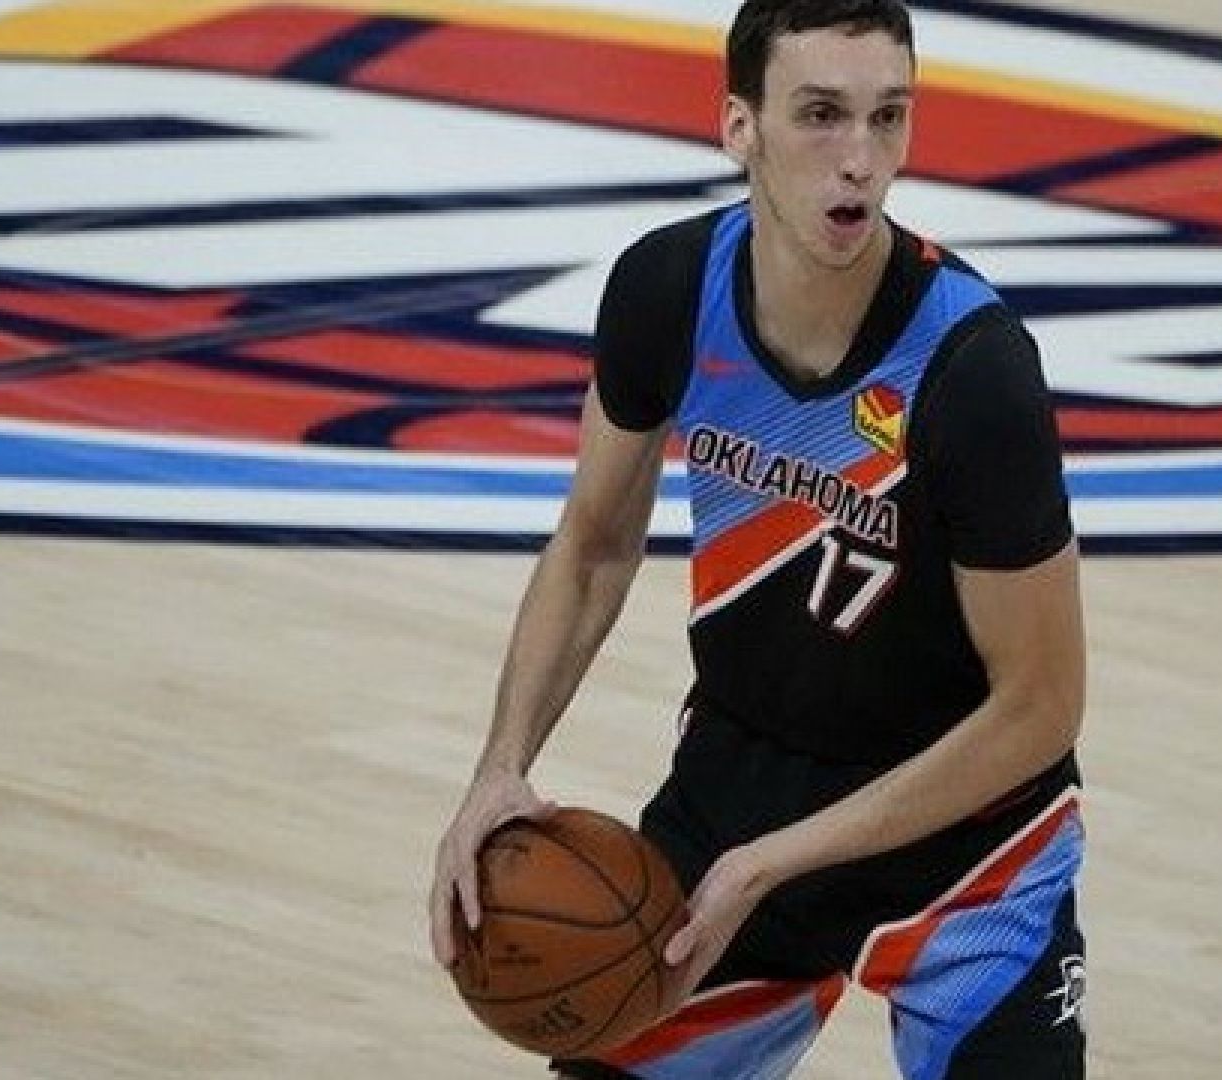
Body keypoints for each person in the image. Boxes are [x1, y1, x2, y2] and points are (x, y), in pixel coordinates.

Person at [428, 1, 1088, 1075]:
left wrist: (771, 864)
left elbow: (1041, 707)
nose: (859, 159)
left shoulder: (976, 373)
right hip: (738, 787)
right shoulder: (669, 289)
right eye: (821, 115)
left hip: (969, 840)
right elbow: (593, 549)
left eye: (888, 117)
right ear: (740, 127)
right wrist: (502, 766)